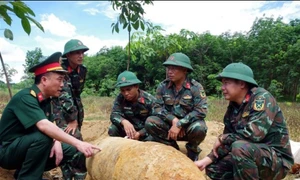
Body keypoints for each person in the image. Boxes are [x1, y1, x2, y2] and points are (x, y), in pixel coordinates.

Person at [0, 52, 100, 180]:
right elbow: (44, 126)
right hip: (7, 152)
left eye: (63, 80)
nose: (62, 85)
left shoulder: (47, 100)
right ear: (44, 80)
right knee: (43, 139)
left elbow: (50, 126)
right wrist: (78, 143)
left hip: (25, 148)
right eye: (59, 80)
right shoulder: (25, 97)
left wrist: (57, 141)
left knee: (71, 151)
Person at [194, 62, 294, 179]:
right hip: (251, 153)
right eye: (222, 83)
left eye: (226, 83)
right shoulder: (233, 107)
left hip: (276, 161)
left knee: (239, 147)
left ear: (241, 83)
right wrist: (207, 159)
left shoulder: (262, 99)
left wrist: (223, 138)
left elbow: (254, 134)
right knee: (214, 169)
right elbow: (228, 140)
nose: (222, 87)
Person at [145, 52, 208, 161]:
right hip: (169, 127)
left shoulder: (195, 87)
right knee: (150, 121)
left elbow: (201, 110)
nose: (169, 71)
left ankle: (192, 150)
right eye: (168, 68)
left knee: (200, 128)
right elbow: (156, 107)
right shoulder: (163, 86)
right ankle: (172, 147)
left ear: (184, 70)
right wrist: (173, 120)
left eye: (174, 68)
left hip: (188, 127)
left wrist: (180, 123)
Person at [51, 39, 89, 179]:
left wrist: (77, 115)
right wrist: (72, 120)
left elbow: (78, 93)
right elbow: (63, 96)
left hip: (76, 107)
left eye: (82, 52)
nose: (81, 55)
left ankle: (71, 173)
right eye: (76, 53)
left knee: (72, 139)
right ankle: (75, 174)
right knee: (73, 140)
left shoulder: (82, 70)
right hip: (61, 110)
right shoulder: (60, 70)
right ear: (68, 55)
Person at [108, 70, 156, 141]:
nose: (126, 93)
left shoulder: (149, 100)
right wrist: (124, 121)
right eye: (123, 90)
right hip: (129, 130)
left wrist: (140, 133)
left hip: (145, 131)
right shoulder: (120, 98)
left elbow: (156, 121)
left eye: (128, 89)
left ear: (136, 87)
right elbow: (114, 114)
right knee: (113, 129)